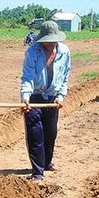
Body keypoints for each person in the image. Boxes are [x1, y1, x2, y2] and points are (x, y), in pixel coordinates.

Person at [20, 21, 71, 182]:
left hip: (52, 97)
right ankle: (37, 172)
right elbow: (27, 76)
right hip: (35, 96)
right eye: (46, 40)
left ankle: (47, 162)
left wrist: (61, 96)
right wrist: (25, 97)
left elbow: (65, 75)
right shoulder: (32, 52)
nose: (49, 43)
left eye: (52, 40)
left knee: (51, 133)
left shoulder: (64, 52)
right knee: (36, 134)